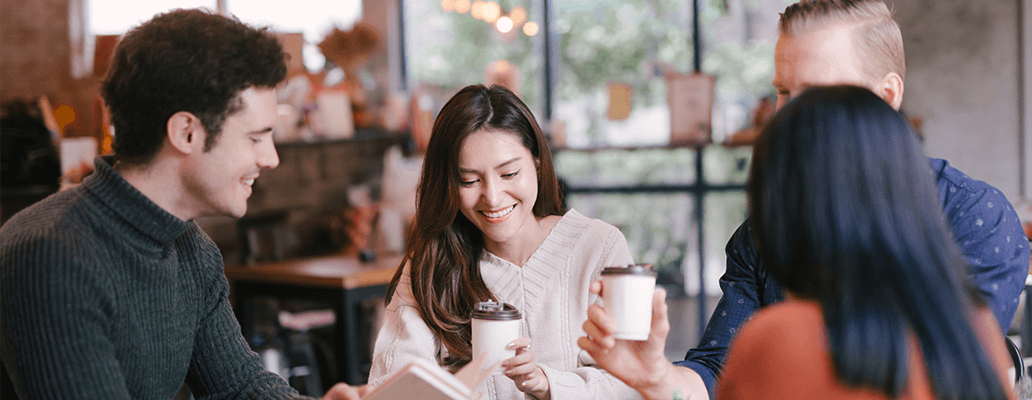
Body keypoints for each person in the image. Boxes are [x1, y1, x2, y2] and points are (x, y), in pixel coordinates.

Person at [578, 1, 1030, 399]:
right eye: (783, 92)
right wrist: (656, 378)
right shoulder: (762, 234)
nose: (788, 117)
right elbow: (718, 371)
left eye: (816, 95)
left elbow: (956, 371)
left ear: (886, 96)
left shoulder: (977, 218)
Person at [0, 9, 358, 399]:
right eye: (256, 138)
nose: (270, 158)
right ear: (186, 133)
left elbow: (241, 387)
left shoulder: (192, 249)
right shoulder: (52, 255)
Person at [364, 84, 641, 400]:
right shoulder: (429, 266)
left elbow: (633, 380)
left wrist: (547, 384)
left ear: (537, 162)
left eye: (508, 174)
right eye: (469, 180)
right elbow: (389, 384)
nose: (492, 198)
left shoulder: (598, 248)